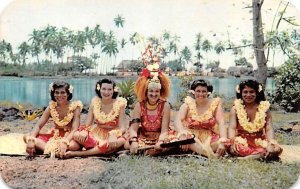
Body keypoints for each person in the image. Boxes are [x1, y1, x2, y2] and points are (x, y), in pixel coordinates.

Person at [126, 44, 175, 156]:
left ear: (160, 92)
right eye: (151, 92)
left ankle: (146, 152)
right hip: (143, 137)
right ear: (146, 92)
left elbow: (164, 130)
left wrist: (161, 141)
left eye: (156, 92)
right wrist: (134, 141)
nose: (154, 94)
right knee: (126, 144)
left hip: (160, 138)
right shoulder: (139, 105)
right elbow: (133, 128)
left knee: (171, 143)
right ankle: (146, 151)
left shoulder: (165, 105)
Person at [65, 78, 127, 157]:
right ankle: (99, 149)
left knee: (120, 141)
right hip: (96, 133)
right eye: (103, 89)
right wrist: (85, 131)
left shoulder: (120, 104)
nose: (106, 92)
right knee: (77, 134)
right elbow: (88, 123)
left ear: (113, 90)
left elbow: (123, 128)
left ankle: (79, 153)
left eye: (109, 89)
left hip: (113, 134)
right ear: (99, 89)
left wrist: (114, 134)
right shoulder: (95, 102)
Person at [23, 80, 83, 158]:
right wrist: (31, 139)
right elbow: (39, 125)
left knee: (74, 146)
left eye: (63, 92)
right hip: (55, 136)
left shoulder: (75, 107)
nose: (59, 95)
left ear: (68, 93)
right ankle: (56, 151)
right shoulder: (51, 107)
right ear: (53, 93)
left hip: (70, 137)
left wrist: (65, 142)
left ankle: (49, 150)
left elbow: (75, 129)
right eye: (56, 92)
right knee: (27, 137)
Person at [228, 79, 282, 160]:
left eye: (252, 92)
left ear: (257, 92)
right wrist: (232, 143)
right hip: (242, 141)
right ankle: (258, 156)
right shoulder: (235, 109)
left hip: (259, 140)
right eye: (245, 92)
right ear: (241, 93)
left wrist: (271, 143)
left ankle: (248, 158)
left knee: (276, 149)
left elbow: (269, 128)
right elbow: (232, 128)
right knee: (235, 148)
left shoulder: (264, 108)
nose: (248, 95)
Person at [174, 79, 229, 158]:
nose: (201, 94)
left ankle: (200, 151)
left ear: (208, 92)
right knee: (188, 140)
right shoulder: (187, 104)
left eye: (204, 91)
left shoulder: (215, 104)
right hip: (191, 137)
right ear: (193, 92)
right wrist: (182, 134)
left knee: (222, 144)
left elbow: (221, 123)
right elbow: (177, 121)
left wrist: (223, 141)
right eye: (198, 91)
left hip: (209, 138)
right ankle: (212, 156)